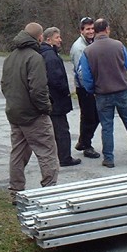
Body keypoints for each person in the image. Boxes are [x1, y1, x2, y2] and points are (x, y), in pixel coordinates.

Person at [1, 22, 59, 203]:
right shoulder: (35, 58)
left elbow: (4, 85)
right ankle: (49, 192)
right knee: (47, 152)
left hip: (14, 113)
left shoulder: (10, 57)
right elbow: (38, 89)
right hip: (33, 115)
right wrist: (46, 108)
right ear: (40, 37)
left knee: (18, 153)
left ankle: (15, 192)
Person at [78, 18, 127, 168]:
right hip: (122, 90)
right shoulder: (119, 45)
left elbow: (85, 76)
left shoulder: (88, 51)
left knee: (107, 126)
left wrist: (91, 90)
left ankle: (109, 158)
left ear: (94, 31)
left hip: (102, 94)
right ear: (107, 29)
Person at [40, 27, 82, 167]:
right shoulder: (51, 57)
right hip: (56, 100)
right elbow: (55, 79)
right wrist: (65, 91)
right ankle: (65, 157)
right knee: (62, 130)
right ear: (48, 39)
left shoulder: (46, 54)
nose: (60, 40)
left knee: (54, 130)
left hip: (51, 99)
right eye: (57, 37)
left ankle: (56, 155)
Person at [69, 17, 101, 159]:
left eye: (92, 28)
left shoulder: (93, 43)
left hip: (92, 85)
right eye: (87, 29)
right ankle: (87, 146)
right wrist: (90, 89)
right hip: (85, 87)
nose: (90, 31)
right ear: (82, 30)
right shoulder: (79, 47)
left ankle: (83, 141)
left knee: (94, 116)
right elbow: (81, 71)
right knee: (90, 117)